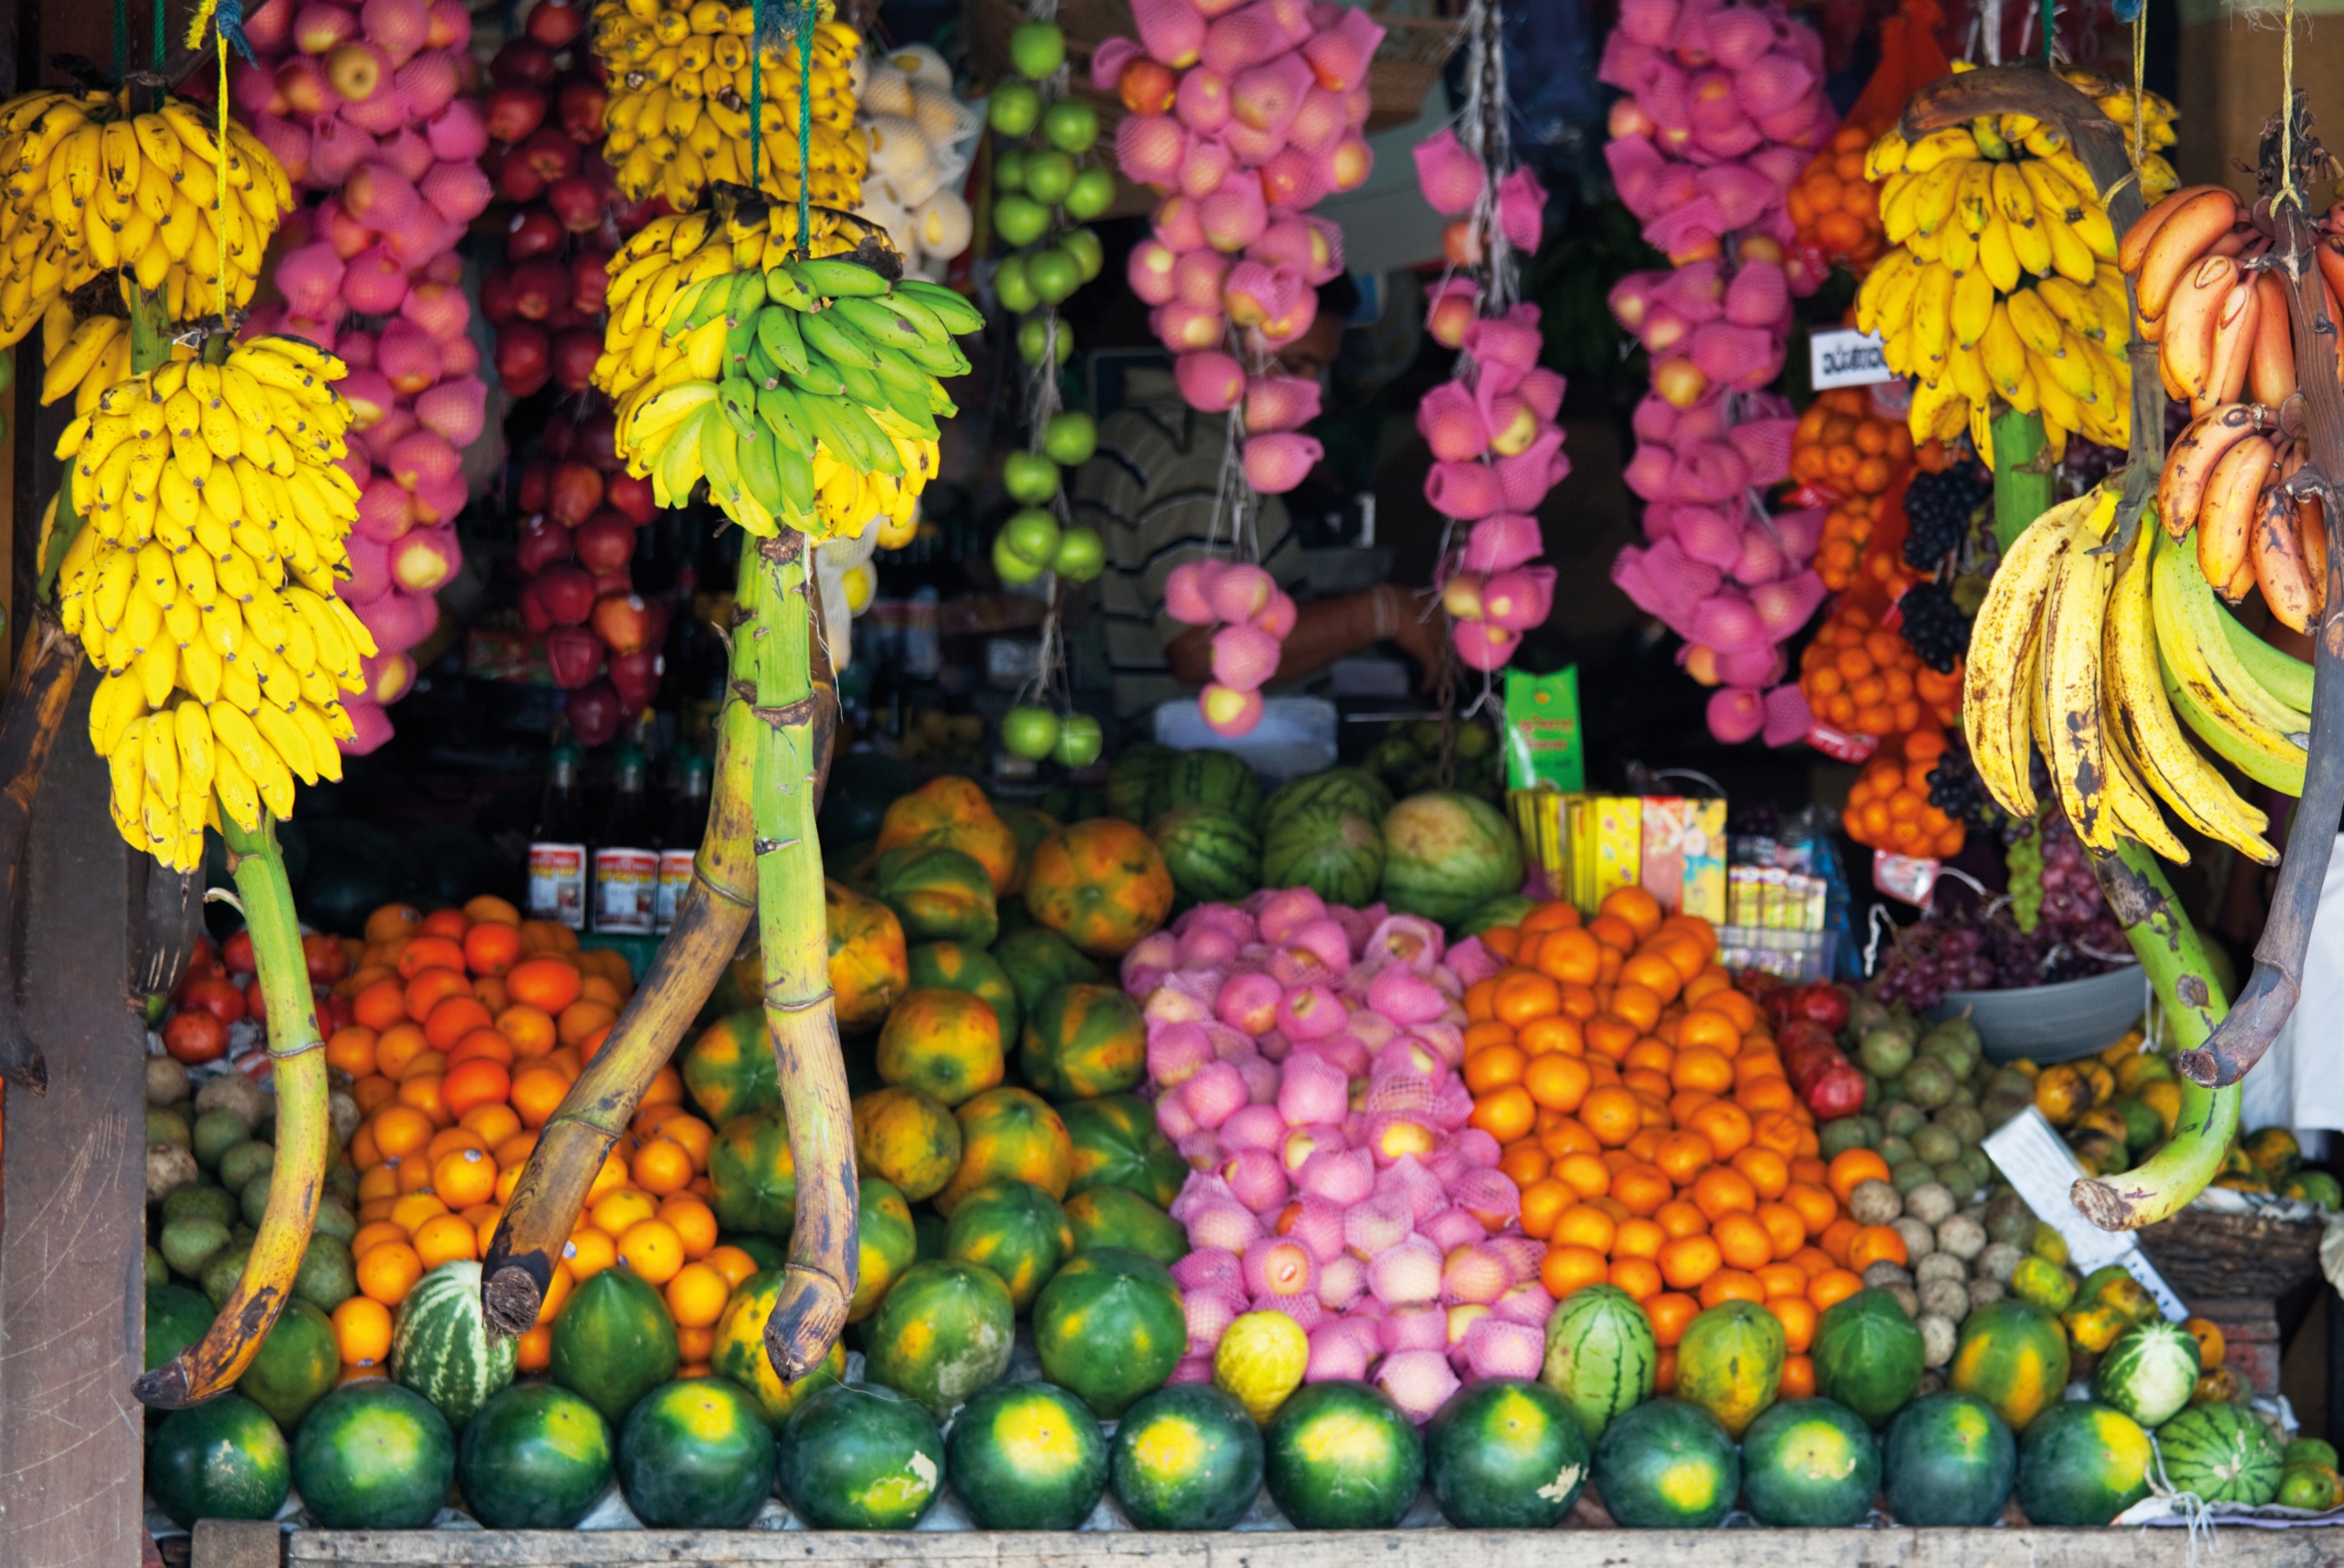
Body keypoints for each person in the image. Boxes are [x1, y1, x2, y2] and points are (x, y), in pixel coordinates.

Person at [1071, 275, 1446, 721]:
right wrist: (1378, 614)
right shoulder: (1195, 457)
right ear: (1226, 340)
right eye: (1291, 364)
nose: (1314, 394)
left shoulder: (1144, 427)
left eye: (1318, 371)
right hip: (1198, 754)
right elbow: (1199, 651)